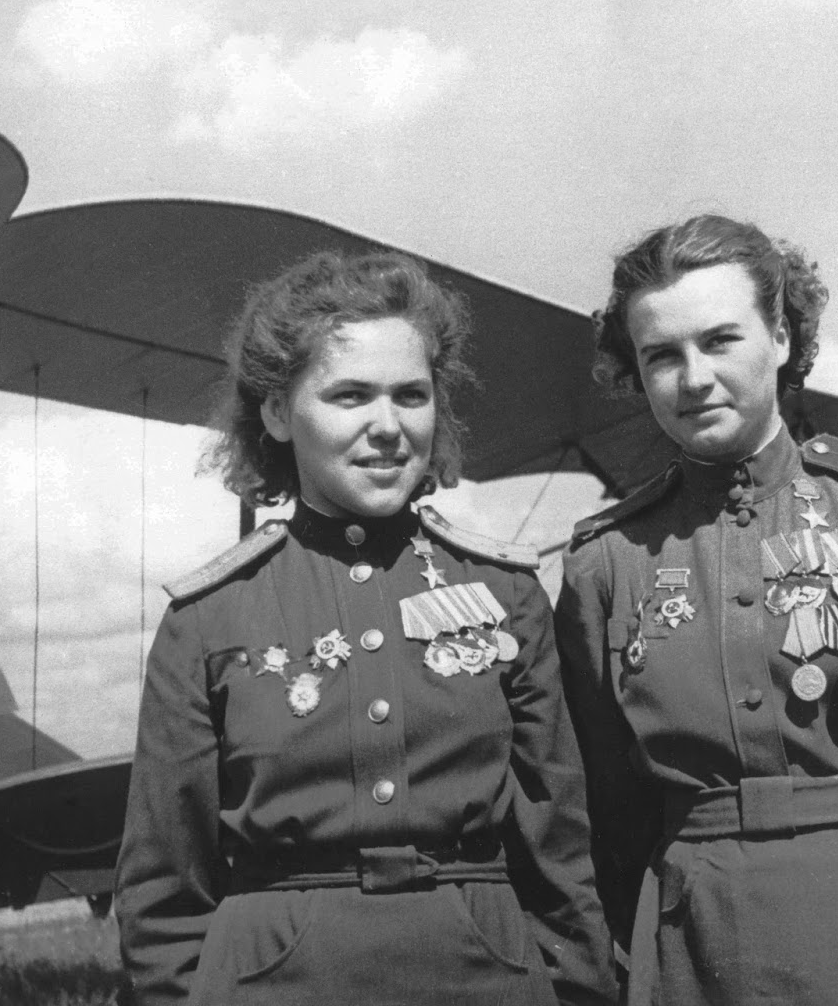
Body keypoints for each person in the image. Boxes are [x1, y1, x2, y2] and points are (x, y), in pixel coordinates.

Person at [115, 251, 616, 1006]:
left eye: (411, 396)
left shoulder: (505, 592)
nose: (388, 426)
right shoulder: (207, 620)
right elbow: (162, 894)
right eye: (350, 396)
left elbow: (560, 849)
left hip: (485, 973)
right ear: (279, 414)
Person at [555, 215, 838, 1005]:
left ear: (780, 334)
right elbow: (610, 808)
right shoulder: (608, 562)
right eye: (662, 355)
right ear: (635, 372)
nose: (693, 377)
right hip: (701, 944)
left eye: (721, 340)